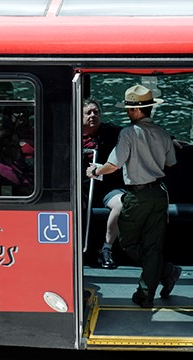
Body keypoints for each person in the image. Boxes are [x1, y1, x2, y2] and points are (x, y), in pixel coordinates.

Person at [86, 84, 182, 308]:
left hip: (137, 196)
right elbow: (171, 162)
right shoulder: (163, 132)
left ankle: (165, 272)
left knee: (128, 243)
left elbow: (113, 165)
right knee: (153, 246)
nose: (127, 113)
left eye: (129, 109)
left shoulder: (128, 133)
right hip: (159, 193)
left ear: (137, 111)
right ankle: (146, 294)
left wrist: (95, 171)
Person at [82, 97, 124, 269]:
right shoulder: (71, 133)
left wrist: (170, 138)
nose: (93, 115)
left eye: (96, 112)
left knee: (121, 203)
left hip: (107, 187)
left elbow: (139, 135)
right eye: (88, 112)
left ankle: (106, 248)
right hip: (82, 188)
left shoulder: (111, 132)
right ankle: (78, 250)